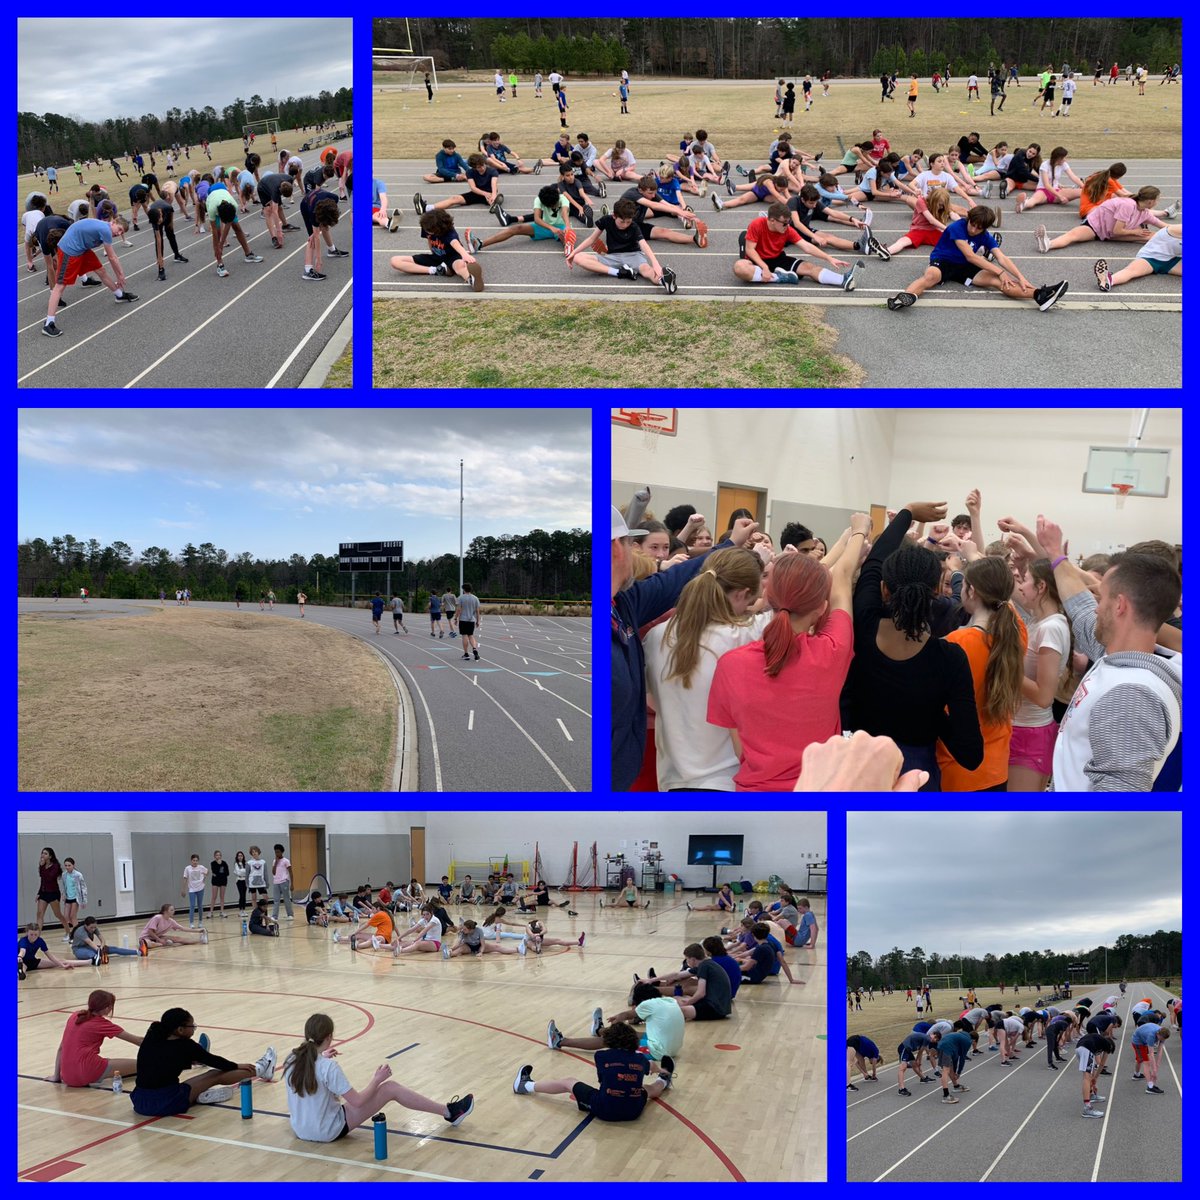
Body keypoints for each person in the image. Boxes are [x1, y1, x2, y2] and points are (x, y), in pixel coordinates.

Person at [707, 520, 865, 790]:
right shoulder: (832, 652)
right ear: (821, 607)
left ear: (768, 594)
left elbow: (740, 750)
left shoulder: (731, 665)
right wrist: (860, 530)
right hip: (817, 796)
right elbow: (842, 580)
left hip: (754, 799)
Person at [1035, 516, 1181, 789]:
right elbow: (1079, 608)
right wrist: (1055, 556)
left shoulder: (1131, 693)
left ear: (1120, 606)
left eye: (1101, 598)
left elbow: (1117, 804)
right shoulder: (1120, 656)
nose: (1095, 607)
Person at [284, 1012, 471, 1142]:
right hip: (327, 1132)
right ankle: (449, 1112)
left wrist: (321, 1057)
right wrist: (377, 1079)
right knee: (390, 1088)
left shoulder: (291, 1059)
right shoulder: (328, 1068)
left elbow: (313, 1069)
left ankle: (449, 1112)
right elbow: (357, 1102)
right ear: (329, 1038)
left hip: (300, 1129)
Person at [888, 205, 1067, 311]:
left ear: (985, 228)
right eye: (972, 225)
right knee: (931, 277)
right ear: (968, 220)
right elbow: (971, 256)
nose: (973, 230)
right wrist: (1000, 270)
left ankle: (1040, 295)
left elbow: (1002, 258)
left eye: (978, 228)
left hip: (965, 266)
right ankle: (904, 297)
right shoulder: (957, 227)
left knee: (1000, 281)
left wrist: (1021, 278)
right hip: (943, 261)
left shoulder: (985, 235)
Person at [129, 1007, 275, 1116]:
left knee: (191, 1074)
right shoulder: (185, 1045)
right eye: (192, 1027)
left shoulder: (153, 1035)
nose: (194, 1029)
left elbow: (163, 1061)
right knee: (214, 1074)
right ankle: (262, 1069)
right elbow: (215, 1062)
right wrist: (237, 1065)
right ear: (180, 1029)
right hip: (165, 1102)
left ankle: (198, 1095)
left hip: (140, 1100)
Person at [517, 1021, 670, 1117]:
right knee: (648, 1089)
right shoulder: (641, 1059)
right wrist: (658, 1070)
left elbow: (604, 1080)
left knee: (568, 1082)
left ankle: (525, 1085)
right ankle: (664, 1078)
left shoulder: (601, 1056)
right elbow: (651, 1066)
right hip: (634, 1111)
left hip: (604, 1108)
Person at [42, 215, 136, 338]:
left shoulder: (105, 227)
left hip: (82, 248)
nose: (118, 233)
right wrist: (120, 276)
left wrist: (119, 275)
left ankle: (119, 295)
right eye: (119, 229)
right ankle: (49, 324)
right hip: (69, 250)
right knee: (60, 286)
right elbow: (112, 257)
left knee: (101, 271)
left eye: (122, 232)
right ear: (113, 222)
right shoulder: (106, 230)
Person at [46, 990, 143, 1086]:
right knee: (143, 1064)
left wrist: (56, 1076)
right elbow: (137, 1041)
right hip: (88, 1070)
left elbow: (61, 1049)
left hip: (67, 1076)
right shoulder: (102, 1024)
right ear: (107, 1008)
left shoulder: (75, 1016)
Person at [1094, 224, 1181, 291]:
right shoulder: (1178, 229)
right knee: (1131, 271)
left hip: (1173, 260)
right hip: (1150, 257)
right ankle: (1107, 280)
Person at [1015, 146, 1084, 213]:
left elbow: (1073, 177)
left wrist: (1084, 187)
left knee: (1081, 192)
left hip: (1056, 191)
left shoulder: (1064, 164)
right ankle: (1022, 204)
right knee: (1032, 202)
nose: (1065, 159)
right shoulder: (1045, 165)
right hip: (1043, 191)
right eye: (1064, 157)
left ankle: (1092, 205)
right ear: (1059, 158)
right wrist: (1060, 197)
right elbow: (1046, 185)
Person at [299, 188, 347, 282]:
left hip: (319, 201)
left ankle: (332, 250)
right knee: (312, 236)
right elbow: (316, 237)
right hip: (306, 205)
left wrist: (324, 224)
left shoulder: (335, 198)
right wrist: (318, 259)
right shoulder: (313, 213)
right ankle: (307, 270)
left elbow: (330, 215)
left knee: (325, 226)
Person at [18, 923, 83, 977]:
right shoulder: (23, 941)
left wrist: (62, 965)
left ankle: (89, 961)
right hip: (21, 961)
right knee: (23, 970)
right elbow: (23, 951)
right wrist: (20, 957)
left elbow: (49, 955)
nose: (33, 937)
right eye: (31, 934)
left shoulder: (40, 941)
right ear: (27, 933)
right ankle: (19, 972)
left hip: (33, 962)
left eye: (36, 935)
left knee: (61, 961)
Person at [139, 903, 203, 951]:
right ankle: (164, 943)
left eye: (173, 910)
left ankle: (201, 940)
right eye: (171, 910)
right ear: (165, 911)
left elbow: (182, 928)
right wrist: (160, 940)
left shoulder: (171, 921)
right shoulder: (157, 918)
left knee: (178, 939)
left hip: (157, 937)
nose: (173, 911)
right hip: (146, 937)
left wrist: (198, 930)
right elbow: (150, 931)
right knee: (148, 944)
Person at [181, 854, 209, 928]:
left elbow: (207, 872)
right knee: (192, 905)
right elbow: (185, 878)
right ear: (191, 860)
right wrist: (183, 889)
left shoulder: (201, 867)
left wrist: (204, 877)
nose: (195, 862)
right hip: (192, 889)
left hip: (200, 888)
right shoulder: (187, 868)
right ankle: (191, 922)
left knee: (200, 905)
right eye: (194, 860)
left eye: (196, 860)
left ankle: (200, 921)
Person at [271, 844, 294, 920]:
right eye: (275, 852)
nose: (277, 854)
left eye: (278, 852)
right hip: (276, 882)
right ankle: (274, 916)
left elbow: (291, 872)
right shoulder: (274, 861)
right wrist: (276, 863)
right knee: (276, 900)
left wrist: (292, 884)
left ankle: (290, 915)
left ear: (282, 852)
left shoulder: (286, 861)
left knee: (286, 899)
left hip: (284, 881)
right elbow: (273, 872)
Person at [208, 850, 229, 921]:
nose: (218, 856)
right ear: (214, 856)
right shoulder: (213, 863)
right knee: (214, 896)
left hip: (223, 881)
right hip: (215, 881)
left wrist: (220, 874)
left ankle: (222, 911)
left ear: (221, 856)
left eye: (219, 855)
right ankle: (211, 912)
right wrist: (219, 869)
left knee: (222, 897)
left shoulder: (224, 863)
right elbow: (215, 871)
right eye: (217, 855)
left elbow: (227, 872)